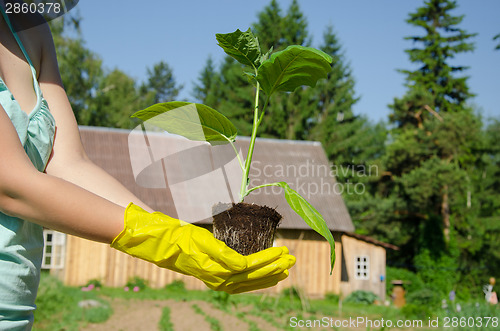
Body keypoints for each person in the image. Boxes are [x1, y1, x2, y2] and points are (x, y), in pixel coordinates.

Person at [0, 3, 295, 329]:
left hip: (17, 308)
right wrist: (169, 243)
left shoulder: (29, 28)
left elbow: (68, 162)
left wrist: (180, 236)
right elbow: (11, 184)